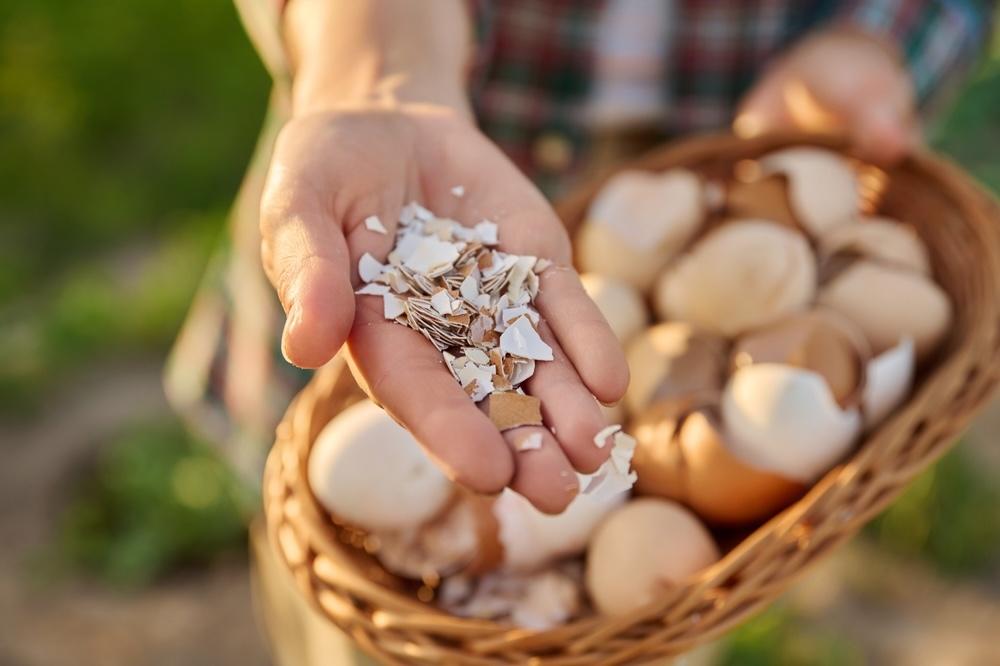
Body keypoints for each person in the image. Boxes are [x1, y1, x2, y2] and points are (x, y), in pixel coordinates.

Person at [161, 1, 992, 662]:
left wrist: (876, 36)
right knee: (364, 609)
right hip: (400, 182)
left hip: (710, 156)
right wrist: (375, 66)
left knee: (643, 607)